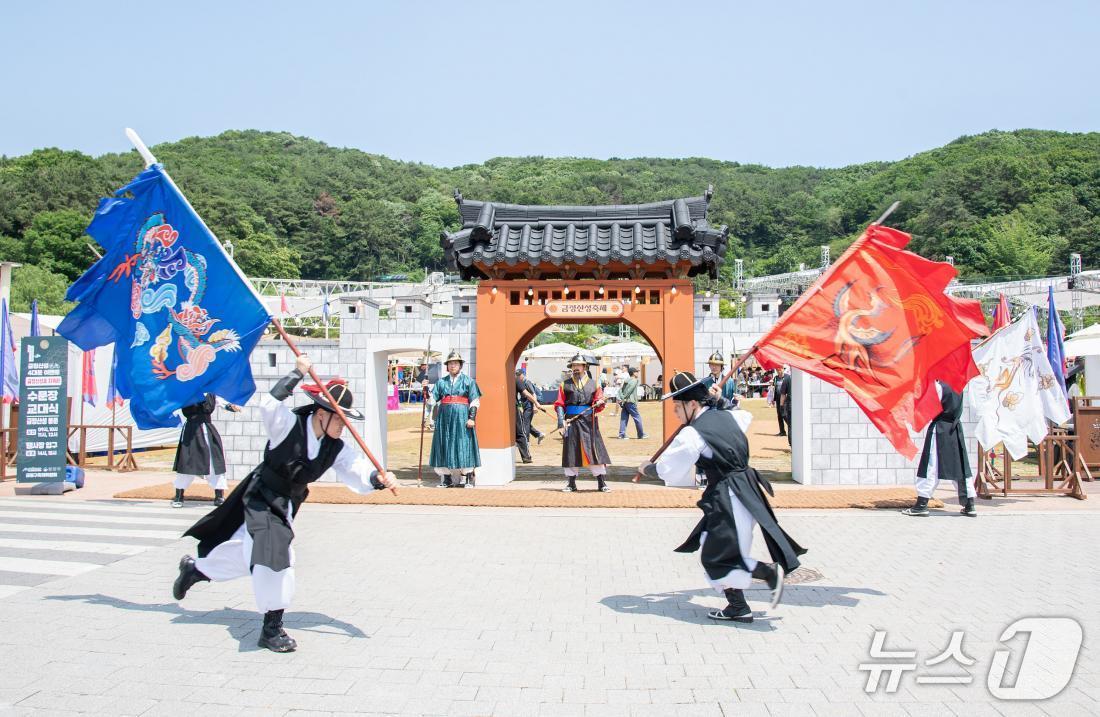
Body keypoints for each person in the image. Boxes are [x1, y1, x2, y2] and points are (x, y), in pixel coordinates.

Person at [172, 354, 396, 652]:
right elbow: (269, 405)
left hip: (287, 505)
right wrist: (296, 373)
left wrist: (378, 479)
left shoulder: (335, 447)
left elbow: (356, 468)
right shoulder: (287, 425)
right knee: (277, 555)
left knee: (251, 553)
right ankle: (271, 628)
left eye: (345, 419)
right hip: (261, 497)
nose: (343, 425)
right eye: (338, 417)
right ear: (321, 413)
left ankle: (198, 569)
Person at [638, 372, 806, 623]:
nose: (675, 413)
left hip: (730, 494)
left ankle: (768, 574)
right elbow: (744, 416)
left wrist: (647, 468)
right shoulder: (728, 416)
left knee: (718, 556)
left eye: (677, 406)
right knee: (715, 548)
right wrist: (721, 403)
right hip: (743, 490)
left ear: (692, 404)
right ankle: (738, 606)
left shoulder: (693, 434)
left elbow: (669, 469)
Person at [903, 380, 977, 517]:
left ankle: (921, 504)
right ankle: (969, 504)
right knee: (960, 466)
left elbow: (927, 407)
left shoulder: (938, 386)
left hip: (940, 428)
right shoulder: (959, 384)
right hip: (955, 428)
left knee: (930, 466)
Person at [555, 354, 612, 492]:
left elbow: (598, 403)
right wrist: (561, 421)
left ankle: (601, 483)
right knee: (571, 451)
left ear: (584, 367)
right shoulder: (565, 384)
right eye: (573, 366)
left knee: (593, 450)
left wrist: (599, 402)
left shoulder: (594, 384)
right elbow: (559, 404)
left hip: (588, 421)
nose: (575, 368)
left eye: (578, 365)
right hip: (571, 421)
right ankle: (571, 483)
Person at [171, 393, 238, 508]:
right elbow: (171, 405)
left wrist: (231, 407)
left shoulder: (211, 394)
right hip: (191, 432)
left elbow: (223, 403)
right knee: (187, 463)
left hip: (207, 430)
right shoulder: (187, 390)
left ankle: (219, 495)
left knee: (214, 463)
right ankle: (179, 496)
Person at [428, 350, 481, 487]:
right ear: (447, 366)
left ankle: (469, 476)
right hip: (444, 419)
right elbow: (432, 400)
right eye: (450, 363)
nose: (453, 366)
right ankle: (446, 478)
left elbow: (475, 401)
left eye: (455, 363)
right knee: (443, 443)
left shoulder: (468, 381)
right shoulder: (441, 382)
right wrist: (425, 391)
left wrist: (471, 418)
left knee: (464, 444)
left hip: (462, 418)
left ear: (460, 365)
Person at [514, 369, 547, 464]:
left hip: (528, 406)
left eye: (519, 374)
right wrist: (536, 403)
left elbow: (532, 394)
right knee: (522, 428)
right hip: (520, 407)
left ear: (522, 375)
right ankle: (527, 455)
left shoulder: (524, 382)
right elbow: (527, 394)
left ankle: (535, 436)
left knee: (524, 425)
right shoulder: (517, 381)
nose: (518, 375)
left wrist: (535, 404)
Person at [617, 366, 646, 439]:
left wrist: (622, 398)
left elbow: (620, 390)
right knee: (637, 417)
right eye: (637, 372)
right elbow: (629, 390)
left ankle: (622, 434)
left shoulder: (626, 380)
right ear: (633, 373)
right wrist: (624, 398)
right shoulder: (635, 380)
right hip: (630, 401)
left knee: (624, 418)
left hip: (625, 402)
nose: (638, 373)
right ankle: (641, 434)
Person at [772, 366, 789, 437]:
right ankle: (782, 431)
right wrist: (773, 399)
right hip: (778, 399)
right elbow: (774, 388)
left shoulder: (787, 377)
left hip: (786, 399)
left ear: (783, 369)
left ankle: (792, 428)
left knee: (785, 415)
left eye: (780, 369)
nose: (779, 371)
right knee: (779, 415)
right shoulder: (775, 378)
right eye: (777, 370)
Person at [777, 369, 792, 446]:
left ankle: (792, 444)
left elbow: (783, 394)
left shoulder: (787, 379)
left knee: (791, 425)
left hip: (790, 405)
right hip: (800, 406)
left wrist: (781, 406)